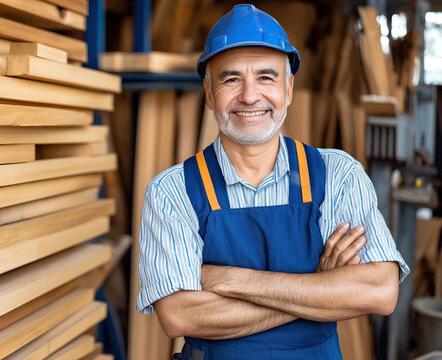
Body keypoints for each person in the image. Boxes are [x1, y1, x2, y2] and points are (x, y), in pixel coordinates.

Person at [136, 4, 410, 360]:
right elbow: (179, 315)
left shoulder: (338, 175)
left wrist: (232, 280)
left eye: (266, 77)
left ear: (289, 88)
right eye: (231, 79)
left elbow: (379, 291)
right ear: (208, 92)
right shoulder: (172, 193)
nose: (250, 95)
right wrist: (321, 287)